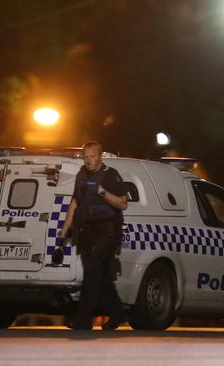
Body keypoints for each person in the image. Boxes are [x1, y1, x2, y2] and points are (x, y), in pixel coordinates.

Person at [58, 141, 128, 330]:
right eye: (86, 157)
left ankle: (83, 319)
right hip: (86, 232)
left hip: (106, 233)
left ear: (100, 156)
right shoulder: (81, 175)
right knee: (102, 278)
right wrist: (65, 229)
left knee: (91, 274)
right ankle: (118, 314)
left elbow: (122, 203)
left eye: (92, 156)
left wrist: (102, 192)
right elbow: (75, 202)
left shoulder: (110, 175)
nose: (88, 161)